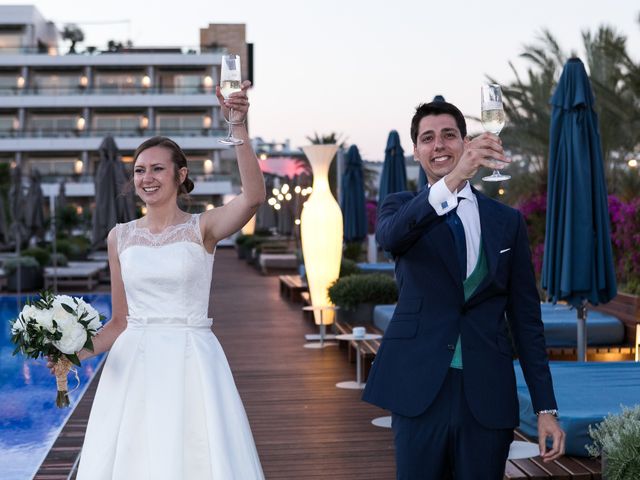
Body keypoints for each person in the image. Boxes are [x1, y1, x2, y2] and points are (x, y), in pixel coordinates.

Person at [51, 81, 266, 479]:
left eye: (157, 169)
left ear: (180, 175)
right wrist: (71, 353)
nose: (146, 178)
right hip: (134, 366)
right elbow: (118, 323)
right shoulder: (120, 236)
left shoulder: (204, 227)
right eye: (138, 170)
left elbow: (253, 197)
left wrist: (238, 127)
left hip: (192, 363)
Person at [362, 101, 565, 479]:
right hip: (418, 391)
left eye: (448, 135)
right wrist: (454, 178)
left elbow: (526, 320)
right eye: (427, 138)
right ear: (416, 151)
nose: (438, 145)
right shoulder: (401, 207)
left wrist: (545, 409)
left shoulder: (507, 221)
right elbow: (392, 236)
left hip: (486, 395)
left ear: (465, 141)